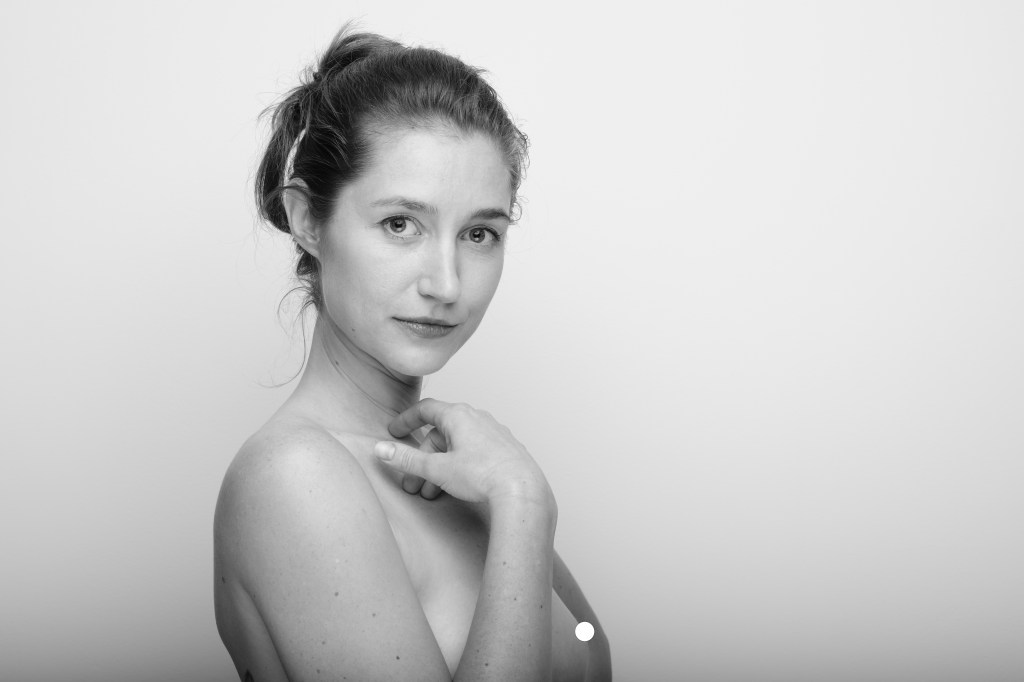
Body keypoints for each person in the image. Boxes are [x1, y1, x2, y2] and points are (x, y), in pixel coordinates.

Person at [214, 25, 612, 682]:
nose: (447, 285)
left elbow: (592, 646)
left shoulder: (463, 470)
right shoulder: (295, 477)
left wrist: (519, 510)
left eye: (479, 233)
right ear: (309, 220)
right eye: (401, 224)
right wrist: (523, 503)